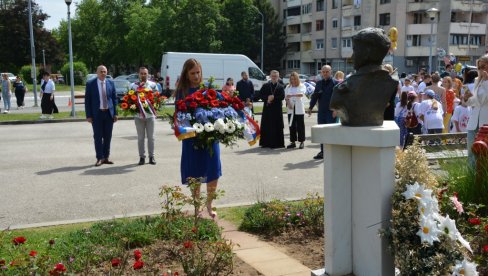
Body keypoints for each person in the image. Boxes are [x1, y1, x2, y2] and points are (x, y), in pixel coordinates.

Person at [175, 58, 220, 219]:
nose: (196, 76)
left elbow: (219, 108)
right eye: (192, 73)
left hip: (210, 137)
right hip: (192, 138)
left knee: (212, 169)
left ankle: (209, 203)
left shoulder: (208, 89)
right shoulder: (182, 92)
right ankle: (197, 206)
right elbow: (178, 115)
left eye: (198, 72)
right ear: (186, 74)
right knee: (194, 171)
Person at [85, 65, 118, 167]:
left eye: (105, 71)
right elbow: (87, 101)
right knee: (98, 137)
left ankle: (106, 157)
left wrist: (115, 113)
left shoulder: (111, 82)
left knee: (108, 136)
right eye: (101, 72)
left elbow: (114, 99)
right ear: (97, 72)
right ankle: (99, 157)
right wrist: (89, 115)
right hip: (97, 114)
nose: (103, 73)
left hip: (108, 114)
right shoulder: (91, 84)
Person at [131, 67, 160, 165]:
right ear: (138, 74)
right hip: (138, 116)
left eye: (145, 73)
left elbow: (157, 98)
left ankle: (151, 156)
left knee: (151, 137)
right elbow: (129, 99)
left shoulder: (153, 85)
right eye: (141, 73)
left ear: (148, 74)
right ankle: (142, 157)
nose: (143, 75)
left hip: (150, 116)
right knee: (140, 138)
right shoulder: (133, 86)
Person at [307, 65, 338, 159]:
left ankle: (332, 152)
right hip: (321, 111)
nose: (325, 73)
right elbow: (315, 96)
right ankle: (323, 152)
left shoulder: (335, 83)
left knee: (330, 132)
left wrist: (336, 109)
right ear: (321, 73)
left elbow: (339, 98)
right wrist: (310, 107)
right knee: (322, 131)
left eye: (327, 72)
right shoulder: (319, 83)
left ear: (331, 72)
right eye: (323, 72)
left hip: (331, 111)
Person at [465, 54, 488, 167]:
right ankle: (470, 181)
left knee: (485, 156)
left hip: (486, 124)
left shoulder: (483, 82)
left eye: (483, 66)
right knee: (471, 154)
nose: (480, 70)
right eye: (479, 67)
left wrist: (486, 82)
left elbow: (485, 99)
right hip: (473, 122)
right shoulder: (476, 81)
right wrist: (467, 99)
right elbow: (475, 102)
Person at [259, 70, 285, 148]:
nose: (274, 77)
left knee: (276, 126)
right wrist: (267, 98)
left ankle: (277, 143)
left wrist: (274, 98)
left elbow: (282, 97)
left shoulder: (280, 86)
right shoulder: (265, 85)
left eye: (276, 76)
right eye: (273, 76)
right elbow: (260, 95)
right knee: (267, 125)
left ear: (278, 77)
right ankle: (265, 143)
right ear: (270, 76)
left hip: (277, 109)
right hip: (267, 109)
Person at [285, 72, 306, 149]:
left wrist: (292, 95)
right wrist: (288, 103)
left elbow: (301, 94)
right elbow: (286, 97)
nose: (293, 80)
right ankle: (293, 141)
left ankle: (301, 141)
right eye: (291, 79)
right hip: (291, 108)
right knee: (292, 125)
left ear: (297, 79)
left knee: (300, 125)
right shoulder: (288, 87)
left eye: (294, 79)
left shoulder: (301, 86)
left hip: (299, 108)